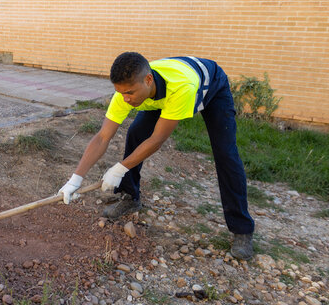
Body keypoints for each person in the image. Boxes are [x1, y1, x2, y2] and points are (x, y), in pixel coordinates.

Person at [58, 52, 255, 260]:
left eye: (130, 93)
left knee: (226, 154)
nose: (125, 98)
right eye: (121, 93)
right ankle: (130, 197)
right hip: (158, 93)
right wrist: (75, 179)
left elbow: (157, 139)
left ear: (148, 80)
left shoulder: (181, 88)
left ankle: (242, 229)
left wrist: (119, 169)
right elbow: (102, 137)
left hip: (211, 86)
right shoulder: (129, 91)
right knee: (136, 134)